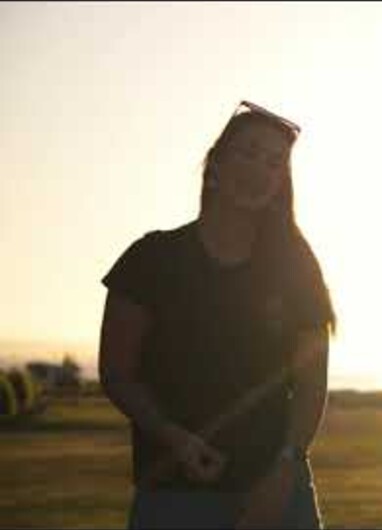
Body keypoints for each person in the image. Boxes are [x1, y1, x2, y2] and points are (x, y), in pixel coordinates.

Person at [98, 100, 336, 529]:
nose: (259, 169)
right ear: (216, 164)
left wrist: (285, 469)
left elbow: (311, 383)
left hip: (276, 491)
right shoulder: (151, 259)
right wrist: (172, 437)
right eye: (247, 153)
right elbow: (117, 372)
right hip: (174, 495)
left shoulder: (296, 266)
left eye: (274, 162)